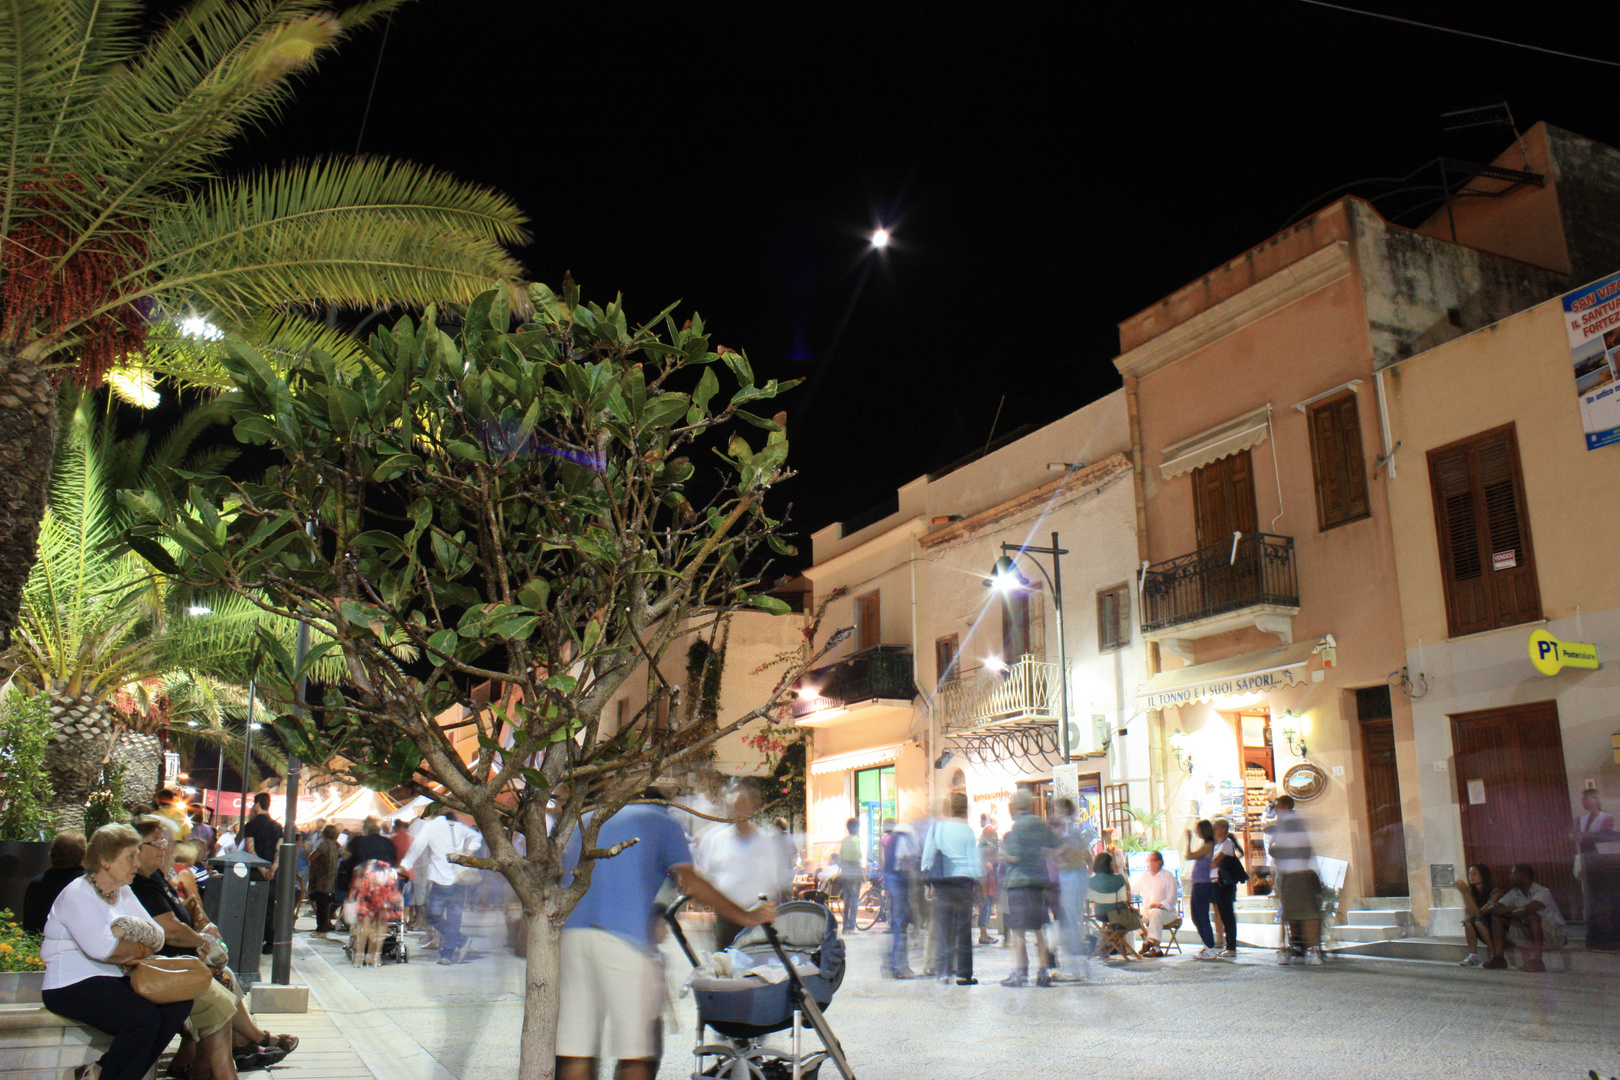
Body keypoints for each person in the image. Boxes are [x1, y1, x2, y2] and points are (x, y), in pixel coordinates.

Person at [556, 796, 775, 1080]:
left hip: (571, 937)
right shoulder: (663, 821)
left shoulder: (585, 819)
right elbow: (690, 881)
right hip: (624, 942)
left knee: (576, 1051)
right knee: (636, 1053)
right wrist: (747, 916)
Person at [41, 823, 191, 1080]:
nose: (137, 863)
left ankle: (101, 1072)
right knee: (143, 1018)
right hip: (69, 984)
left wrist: (127, 935)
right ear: (105, 861)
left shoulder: (123, 891)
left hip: (114, 979)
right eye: (130, 856)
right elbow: (105, 951)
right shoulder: (78, 894)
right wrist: (135, 942)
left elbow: (157, 936)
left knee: (178, 1005)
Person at [697, 781, 790, 951]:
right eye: (734, 806)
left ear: (752, 807)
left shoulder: (766, 841)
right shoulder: (716, 840)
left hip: (759, 921)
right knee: (726, 968)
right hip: (727, 919)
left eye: (742, 804)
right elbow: (708, 880)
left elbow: (777, 883)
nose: (738, 810)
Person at [401, 805, 479, 965]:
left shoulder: (430, 826)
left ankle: (458, 943)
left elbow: (417, 846)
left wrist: (405, 863)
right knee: (454, 916)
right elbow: (476, 837)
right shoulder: (460, 827)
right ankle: (449, 952)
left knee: (433, 915)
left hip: (441, 879)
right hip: (459, 878)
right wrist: (469, 852)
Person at [919, 792, 982, 986]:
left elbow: (928, 855)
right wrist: (977, 885)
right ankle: (964, 974)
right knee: (964, 929)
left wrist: (928, 884)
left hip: (943, 883)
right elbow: (974, 860)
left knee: (943, 928)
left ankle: (943, 972)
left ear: (950, 808)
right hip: (964, 882)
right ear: (965, 809)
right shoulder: (968, 831)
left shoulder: (937, 828)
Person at [998, 790, 1058, 987]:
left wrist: (1001, 855)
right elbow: (1056, 846)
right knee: (1040, 929)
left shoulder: (1018, 827)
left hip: (1019, 883)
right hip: (1039, 882)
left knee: (1019, 931)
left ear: (1015, 807)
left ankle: (1021, 972)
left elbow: (1014, 856)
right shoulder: (1040, 823)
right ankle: (1043, 972)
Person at [1481, 862, 1567, 971]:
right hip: (1531, 934)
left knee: (1532, 916)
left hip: (1554, 936)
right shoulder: (1514, 893)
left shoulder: (1542, 891)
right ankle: (1499, 958)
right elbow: (1493, 909)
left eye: (1514, 874)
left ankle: (1538, 960)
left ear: (1524, 877)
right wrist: (1513, 910)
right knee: (1497, 918)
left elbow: (1528, 909)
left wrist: (1508, 911)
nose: (1510, 877)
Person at [1270, 795, 1324, 965]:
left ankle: (1310, 949)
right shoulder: (1285, 823)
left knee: (1305, 915)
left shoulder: (1292, 822)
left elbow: (1300, 848)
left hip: (1298, 873)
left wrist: (1280, 853)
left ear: (1286, 806)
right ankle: (1297, 946)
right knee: (1291, 914)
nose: (1276, 810)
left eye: (1278, 806)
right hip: (1292, 873)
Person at [239, 793, 282, 955]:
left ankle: (252, 940)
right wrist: (272, 870)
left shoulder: (251, 825)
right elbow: (279, 850)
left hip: (255, 873)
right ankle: (269, 942)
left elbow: (251, 849)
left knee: (252, 906)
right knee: (270, 907)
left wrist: (262, 869)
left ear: (257, 804)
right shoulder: (277, 827)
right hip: (272, 873)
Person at [1052, 799, 1090, 971]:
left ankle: (1075, 957)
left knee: (1070, 917)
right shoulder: (1077, 827)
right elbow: (1085, 853)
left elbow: (1068, 853)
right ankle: (1076, 956)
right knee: (1073, 917)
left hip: (1069, 875)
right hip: (1077, 874)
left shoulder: (1068, 829)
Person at [24, 831, 87, 935]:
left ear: (52, 853)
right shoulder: (89, 883)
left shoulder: (36, 885)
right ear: (83, 855)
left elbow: (30, 928)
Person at [1086, 851, 1144, 961]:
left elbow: (1088, 897)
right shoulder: (1119, 879)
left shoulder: (1091, 881)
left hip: (1100, 914)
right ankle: (1108, 944)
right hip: (1118, 914)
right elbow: (1125, 897)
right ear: (1110, 864)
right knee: (1118, 928)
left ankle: (1105, 944)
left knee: (1110, 927)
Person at [878, 816, 918, 977]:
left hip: (893, 877)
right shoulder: (906, 836)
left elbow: (885, 861)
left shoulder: (893, 837)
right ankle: (899, 966)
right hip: (898, 878)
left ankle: (894, 964)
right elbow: (905, 860)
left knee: (898, 920)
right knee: (900, 921)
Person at [1453, 862, 1504, 967]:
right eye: (1470, 874)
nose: (1471, 876)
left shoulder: (1495, 892)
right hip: (1479, 922)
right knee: (1468, 922)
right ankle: (1473, 956)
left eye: (1475, 874)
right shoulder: (1472, 892)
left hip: (1494, 925)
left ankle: (1494, 956)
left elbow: (1480, 914)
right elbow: (1471, 913)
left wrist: (1465, 892)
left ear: (1483, 875)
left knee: (1478, 922)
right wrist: (1465, 893)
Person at [1133, 849, 1180, 956]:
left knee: (1155, 912)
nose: (1148, 864)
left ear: (1159, 862)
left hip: (1167, 912)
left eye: (1151, 861)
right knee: (1131, 914)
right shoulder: (1145, 876)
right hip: (1148, 910)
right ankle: (1146, 939)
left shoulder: (1168, 875)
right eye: (1148, 861)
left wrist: (1160, 905)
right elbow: (1133, 887)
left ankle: (1155, 947)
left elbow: (1172, 897)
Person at [1184, 819, 1219, 960]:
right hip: (1198, 884)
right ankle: (1207, 945)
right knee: (1196, 916)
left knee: (1202, 916)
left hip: (1203, 885)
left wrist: (1188, 840)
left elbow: (1189, 856)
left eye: (1198, 829)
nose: (1196, 831)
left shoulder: (1208, 845)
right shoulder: (1207, 845)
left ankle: (1210, 947)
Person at [1210, 817, 1243, 957]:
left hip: (1225, 884)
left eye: (1216, 827)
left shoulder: (1227, 843)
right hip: (1215, 883)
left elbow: (1215, 862)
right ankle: (1225, 944)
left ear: (1223, 829)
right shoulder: (1216, 845)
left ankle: (1231, 947)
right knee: (1222, 914)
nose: (1214, 830)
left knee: (1228, 914)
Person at [307, 825, 342, 939]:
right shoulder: (335, 845)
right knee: (325, 904)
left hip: (321, 878)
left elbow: (312, 857)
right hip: (330, 879)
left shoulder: (323, 844)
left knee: (321, 905)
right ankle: (323, 927)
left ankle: (321, 929)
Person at [836, 817, 863, 934]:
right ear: (857, 828)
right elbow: (858, 857)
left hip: (845, 875)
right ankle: (852, 926)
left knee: (846, 900)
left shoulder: (845, 840)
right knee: (854, 900)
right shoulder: (855, 840)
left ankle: (845, 926)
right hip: (854, 875)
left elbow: (840, 858)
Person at [976, 814, 1000, 944]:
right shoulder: (989, 832)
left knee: (985, 903)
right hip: (986, 873)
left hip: (986, 873)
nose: (980, 822)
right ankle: (983, 934)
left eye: (981, 819)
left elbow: (990, 849)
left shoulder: (989, 831)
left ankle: (984, 933)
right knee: (985, 903)